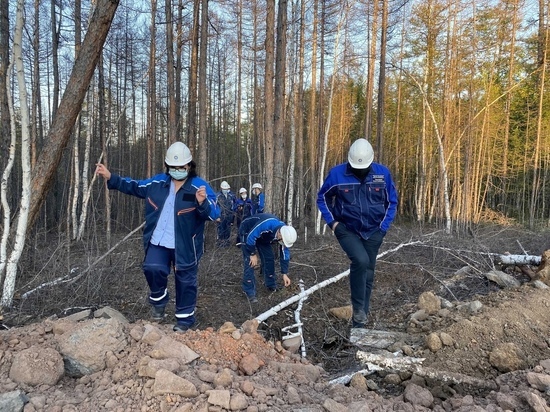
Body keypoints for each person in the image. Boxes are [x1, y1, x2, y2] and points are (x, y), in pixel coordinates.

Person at [95, 141, 220, 332]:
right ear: (167, 166)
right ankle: (159, 301)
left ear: (189, 166)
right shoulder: (158, 183)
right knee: (152, 268)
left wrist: (202, 203)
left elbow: (214, 214)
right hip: (159, 241)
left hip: (186, 245)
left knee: (185, 281)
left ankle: (184, 321)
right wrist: (112, 177)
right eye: (173, 167)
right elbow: (135, 186)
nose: (178, 170)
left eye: (182, 167)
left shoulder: (199, 187)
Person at [316, 138, 398, 329]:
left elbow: (392, 202)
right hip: (347, 229)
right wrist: (333, 223)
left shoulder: (382, 174)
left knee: (368, 272)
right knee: (360, 261)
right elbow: (322, 198)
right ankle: (359, 311)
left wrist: (383, 229)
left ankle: (360, 317)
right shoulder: (337, 175)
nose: (359, 171)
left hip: (374, 231)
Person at [237, 213, 297, 302]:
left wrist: (284, 273)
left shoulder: (285, 233)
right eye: (282, 241)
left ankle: (271, 284)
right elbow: (251, 236)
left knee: (269, 258)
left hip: (263, 237)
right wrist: (252, 253)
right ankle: (249, 292)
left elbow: (285, 253)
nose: (283, 243)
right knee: (250, 261)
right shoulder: (267, 224)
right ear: (280, 234)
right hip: (247, 231)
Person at [215, 181, 236, 247]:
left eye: (226, 189)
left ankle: (227, 243)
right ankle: (220, 243)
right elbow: (215, 207)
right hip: (220, 216)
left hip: (229, 216)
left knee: (228, 230)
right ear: (221, 188)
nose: (225, 190)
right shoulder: (218, 196)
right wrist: (216, 216)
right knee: (220, 230)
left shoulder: (231, 196)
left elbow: (233, 207)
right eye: (224, 189)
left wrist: (232, 218)